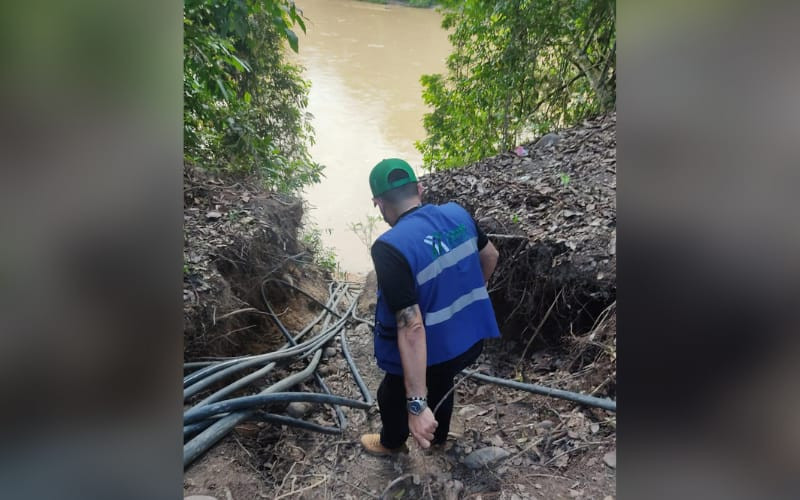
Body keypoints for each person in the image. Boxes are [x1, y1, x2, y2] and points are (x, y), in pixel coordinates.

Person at [360, 158, 501, 456]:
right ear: (420, 189)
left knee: (390, 395)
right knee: (442, 383)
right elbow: (491, 255)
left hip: (430, 352)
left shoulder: (389, 247)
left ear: (379, 203)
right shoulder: (457, 214)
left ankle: (392, 443)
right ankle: (437, 441)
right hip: (470, 342)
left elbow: (411, 326)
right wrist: (472, 294)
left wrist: (416, 404)